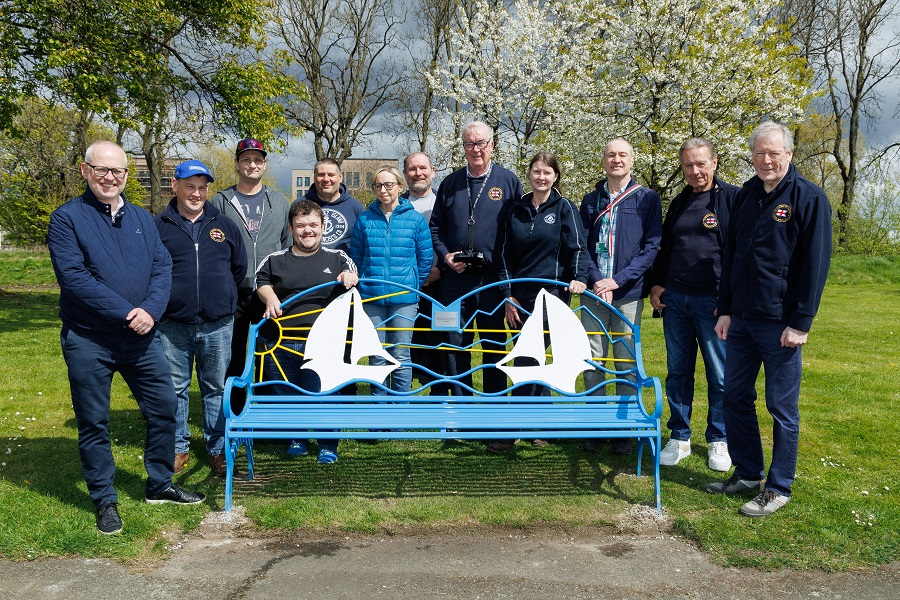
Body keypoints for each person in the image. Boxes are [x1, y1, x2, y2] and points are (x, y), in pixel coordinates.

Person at [48, 141, 205, 535]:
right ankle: (105, 499)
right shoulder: (66, 218)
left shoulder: (140, 218)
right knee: (94, 422)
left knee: (165, 407)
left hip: (141, 337)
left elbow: (162, 267)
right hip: (90, 339)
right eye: (101, 170)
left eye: (117, 172)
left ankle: (159, 484)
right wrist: (126, 312)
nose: (110, 178)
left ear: (125, 177)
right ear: (85, 171)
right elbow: (74, 279)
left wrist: (150, 310)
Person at [707, 122, 832, 517]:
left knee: (782, 408)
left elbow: (815, 266)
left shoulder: (809, 198)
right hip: (741, 320)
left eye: (774, 153)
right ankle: (747, 473)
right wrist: (725, 308)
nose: (766, 160)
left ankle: (778, 487)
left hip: (781, 325)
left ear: (789, 154)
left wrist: (802, 322)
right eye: (759, 153)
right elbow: (732, 258)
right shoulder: (745, 196)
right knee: (734, 397)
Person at [648, 138, 739, 472]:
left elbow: (739, 254)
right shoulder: (679, 202)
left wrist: (727, 301)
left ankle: (720, 439)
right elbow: (666, 248)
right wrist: (657, 284)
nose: (695, 171)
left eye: (701, 163)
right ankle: (680, 436)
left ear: (714, 162)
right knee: (678, 373)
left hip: (714, 304)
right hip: (676, 301)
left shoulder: (731, 199)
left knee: (720, 375)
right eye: (688, 165)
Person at [155, 160, 247, 477]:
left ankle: (219, 449)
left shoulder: (225, 225)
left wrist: (223, 300)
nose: (196, 193)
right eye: (190, 186)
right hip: (171, 325)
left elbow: (238, 269)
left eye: (202, 187)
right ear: (175, 186)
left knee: (216, 389)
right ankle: (177, 448)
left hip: (217, 324)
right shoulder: (158, 227)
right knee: (175, 388)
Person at [256, 200, 359, 464]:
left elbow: (353, 273)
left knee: (325, 396)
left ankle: (327, 443)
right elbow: (260, 280)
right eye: (301, 226)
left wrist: (349, 277)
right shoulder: (275, 259)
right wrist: (269, 297)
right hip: (280, 344)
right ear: (291, 229)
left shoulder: (338, 258)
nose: (307, 231)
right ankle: (297, 437)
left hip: (324, 345)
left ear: (323, 227)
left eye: (313, 225)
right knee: (287, 395)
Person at [578, 139, 663, 455]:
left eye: (622, 155)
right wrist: (599, 282)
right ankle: (595, 425)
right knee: (592, 357)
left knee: (625, 359)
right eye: (611, 154)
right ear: (604, 160)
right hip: (594, 291)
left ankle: (623, 428)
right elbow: (582, 246)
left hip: (627, 293)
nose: (617, 159)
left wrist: (617, 281)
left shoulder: (647, 199)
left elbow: (651, 247)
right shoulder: (590, 200)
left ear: (631, 160)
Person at [430, 121, 524, 403]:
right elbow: (436, 228)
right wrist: (446, 255)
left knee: (494, 345)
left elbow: (519, 230)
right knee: (454, 344)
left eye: (481, 143)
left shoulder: (508, 181)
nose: (476, 149)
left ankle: (494, 408)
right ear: (463, 148)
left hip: (492, 281)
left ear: (492, 144)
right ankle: (461, 408)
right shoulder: (450, 183)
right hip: (455, 280)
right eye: (469, 144)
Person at [497, 152, 588, 398]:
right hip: (518, 295)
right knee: (526, 353)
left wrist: (580, 277)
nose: (541, 177)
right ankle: (536, 422)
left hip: (552, 295)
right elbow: (503, 254)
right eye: (536, 171)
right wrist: (507, 295)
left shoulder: (564, 207)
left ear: (556, 176)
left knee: (530, 354)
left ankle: (521, 423)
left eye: (547, 172)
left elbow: (577, 247)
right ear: (529, 174)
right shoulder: (515, 209)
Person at [209, 138, 290, 380]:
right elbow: (214, 248)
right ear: (237, 163)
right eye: (246, 159)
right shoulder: (221, 201)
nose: (252, 164)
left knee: (269, 354)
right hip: (233, 292)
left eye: (257, 160)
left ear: (264, 164)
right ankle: (232, 409)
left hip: (270, 292)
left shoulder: (278, 201)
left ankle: (265, 409)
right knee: (232, 356)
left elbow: (286, 244)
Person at [349, 166, 433, 393]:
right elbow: (356, 256)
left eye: (388, 185)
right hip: (372, 297)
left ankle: (400, 411)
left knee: (400, 354)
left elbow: (425, 258)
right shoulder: (365, 219)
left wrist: (413, 283)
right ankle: (378, 413)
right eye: (378, 185)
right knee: (377, 356)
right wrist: (365, 281)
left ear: (399, 186)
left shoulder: (415, 219)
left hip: (404, 299)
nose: (383, 190)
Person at [401, 152, 450, 394]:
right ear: (405, 174)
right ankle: (402, 391)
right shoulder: (395, 204)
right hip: (406, 285)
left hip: (442, 283)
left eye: (423, 168)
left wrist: (439, 269)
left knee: (441, 341)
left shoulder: (446, 202)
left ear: (433, 171)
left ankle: (440, 392)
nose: (418, 173)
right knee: (406, 340)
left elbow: (455, 238)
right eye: (412, 169)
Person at [300, 158, 365, 253]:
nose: (326, 179)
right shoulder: (300, 205)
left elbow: (363, 246)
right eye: (321, 175)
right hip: (305, 265)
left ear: (340, 177)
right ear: (314, 177)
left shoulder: (355, 208)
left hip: (344, 267)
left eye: (331, 175)